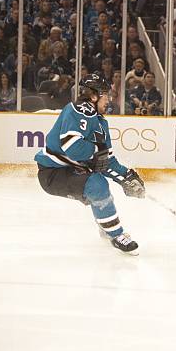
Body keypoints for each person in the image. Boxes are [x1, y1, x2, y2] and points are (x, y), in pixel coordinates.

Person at [34, 75, 144, 255]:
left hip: (71, 170)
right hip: (52, 173)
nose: (108, 100)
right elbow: (72, 147)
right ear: (93, 97)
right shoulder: (80, 110)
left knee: (98, 184)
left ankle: (105, 225)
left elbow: (106, 160)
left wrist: (127, 176)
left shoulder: (100, 123)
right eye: (105, 95)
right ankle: (116, 235)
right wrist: (95, 153)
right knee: (97, 184)